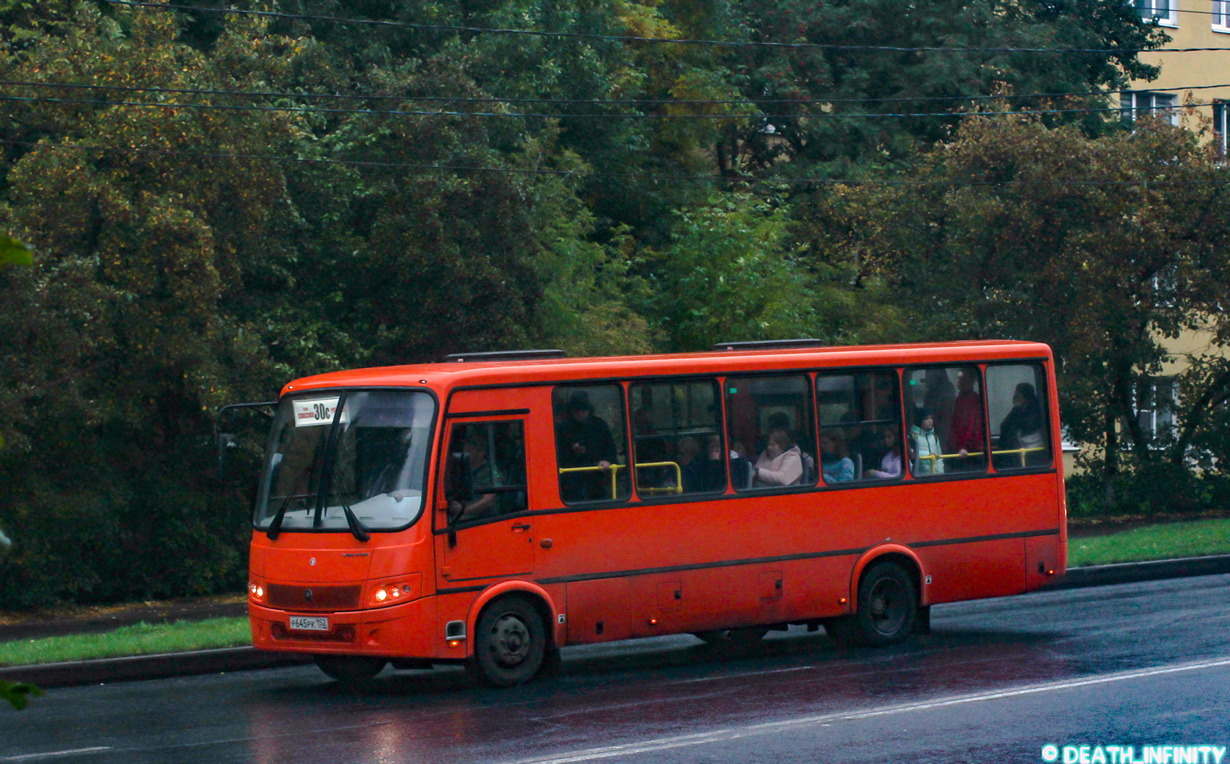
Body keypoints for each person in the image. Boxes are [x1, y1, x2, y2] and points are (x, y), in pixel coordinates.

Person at [556, 391, 618, 501]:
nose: (581, 414)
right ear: (572, 411)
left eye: (584, 410)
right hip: (572, 481)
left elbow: (611, 447)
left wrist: (607, 460)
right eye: (577, 411)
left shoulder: (599, 425)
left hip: (597, 478)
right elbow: (556, 454)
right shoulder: (563, 428)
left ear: (589, 410)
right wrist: (572, 450)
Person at [448, 430, 503, 521]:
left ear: (481, 452)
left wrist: (464, 510)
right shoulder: (465, 469)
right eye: (465, 448)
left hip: (484, 521)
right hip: (463, 517)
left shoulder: (491, 473)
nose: (465, 451)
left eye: (470, 449)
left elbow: (489, 501)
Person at [997, 382, 1044, 467]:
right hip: (1017, 449)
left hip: (1030, 449)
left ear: (1025, 397)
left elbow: (1025, 426)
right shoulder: (1019, 409)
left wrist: (1017, 410)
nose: (1014, 398)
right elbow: (1004, 426)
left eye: (1017, 395)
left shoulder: (1034, 411)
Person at [948, 367, 985, 465]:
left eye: (962, 378)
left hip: (971, 450)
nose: (958, 381)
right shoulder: (959, 399)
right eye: (958, 378)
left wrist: (965, 447)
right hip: (959, 448)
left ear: (971, 381)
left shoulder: (974, 400)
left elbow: (973, 427)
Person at [911, 408, 945, 475]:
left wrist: (940, 473)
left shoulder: (934, 437)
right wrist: (928, 455)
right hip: (920, 477)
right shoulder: (912, 437)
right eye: (926, 419)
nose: (930, 421)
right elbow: (911, 454)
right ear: (920, 421)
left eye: (931, 418)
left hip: (936, 476)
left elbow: (940, 457)